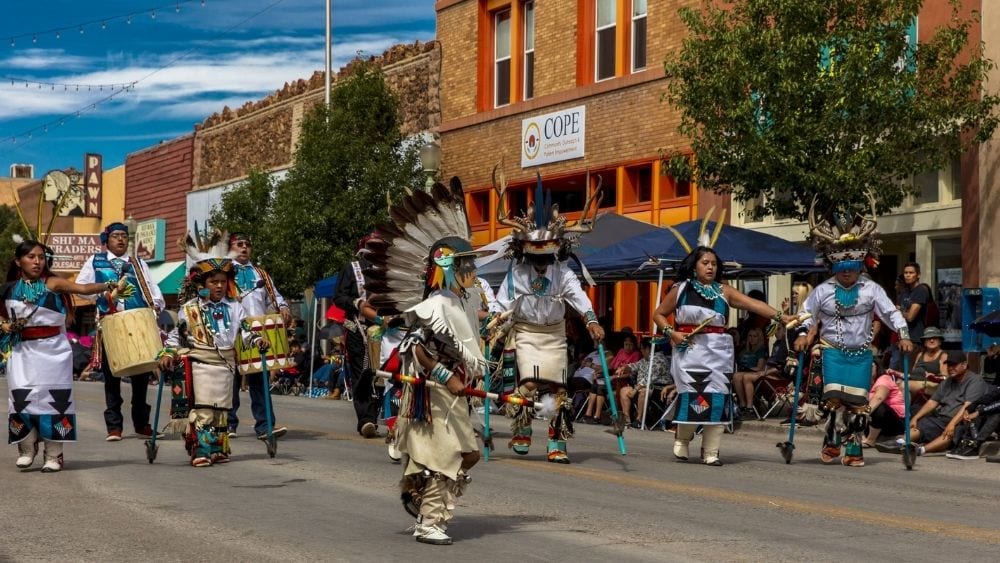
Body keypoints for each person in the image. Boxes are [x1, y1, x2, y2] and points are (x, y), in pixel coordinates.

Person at [358, 179, 490, 545]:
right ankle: (430, 521)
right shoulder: (435, 303)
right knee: (450, 456)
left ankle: (418, 496)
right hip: (433, 394)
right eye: (465, 265)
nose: (472, 271)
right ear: (447, 266)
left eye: (472, 264)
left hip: (453, 393)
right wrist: (446, 375)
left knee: (467, 455)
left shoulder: (462, 300)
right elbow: (416, 344)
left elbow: (466, 338)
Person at [653, 211, 794, 466]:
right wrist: (671, 333)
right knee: (692, 394)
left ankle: (711, 451)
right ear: (695, 266)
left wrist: (781, 317)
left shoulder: (723, 291)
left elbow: (753, 304)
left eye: (714, 264)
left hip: (717, 352)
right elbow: (659, 314)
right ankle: (682, 440)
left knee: (717, 395)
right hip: (689, 350)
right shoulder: (680, 289)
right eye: (705, 262)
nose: (710, 267)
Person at [493, 170, 605, 463]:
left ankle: (557, 442)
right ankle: (522, 425)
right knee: (529, 383)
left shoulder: (562, 272)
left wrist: (591, 319)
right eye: (535, 257)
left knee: (558, 388)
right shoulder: (516, 272)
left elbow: (578, 296)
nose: (541, 262)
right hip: (527, 333)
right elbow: (502, 303)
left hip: (555, 333)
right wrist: (493, 323)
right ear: (526, 253)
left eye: (545, 256)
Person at [795, 198, 913, 467]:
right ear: (834, 267)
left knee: (858, 404)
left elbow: (891, 313)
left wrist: (904, 334)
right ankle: (832, 443)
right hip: (832, 351)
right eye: (842, 270)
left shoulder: (871, 290)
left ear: (860, 267)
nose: (847, 275)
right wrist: (802, 334)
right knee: (835, 401)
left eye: (852, 270)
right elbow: (806, 313)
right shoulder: (823, 290)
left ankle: (853, 447)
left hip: (860, 354)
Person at [3, 240, 123, 472]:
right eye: (31, 257)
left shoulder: (53, 283)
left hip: (53, 351)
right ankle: (27, 449)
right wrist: (5, 326)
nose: (37, 262)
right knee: (21, 399)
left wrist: (109, 284)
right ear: (19, 261)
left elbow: (84, 289)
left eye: (41, 257)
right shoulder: (8, 289)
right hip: (22, 351)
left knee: (55, 401)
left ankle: (54, 455)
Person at [158, 230, 269, 467]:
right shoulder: (189, 309)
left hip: (227, 365)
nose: (219, 286)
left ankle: (218, 448)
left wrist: (258, 341)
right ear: (202, 284)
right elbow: (177, 337)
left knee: (222, 411)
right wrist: (167, 353)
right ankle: (201, 450)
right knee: (205, 411)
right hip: (201, 364)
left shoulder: (235, 307)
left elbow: (246, 331)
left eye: (222, 281)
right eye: (213, 281)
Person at [76, 222, 165, 441]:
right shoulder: (95, 261)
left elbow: (153, 291)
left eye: (124, 236)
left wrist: (154, 308)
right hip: (110, 324)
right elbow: (81, 287)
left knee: (141, 377)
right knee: (111, 376)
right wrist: (102, 297)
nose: (121, 240)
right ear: (107, 239)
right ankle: (114, 427)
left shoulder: (138, 263)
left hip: (136, 325)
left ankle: (142, 424)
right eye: (116, 236)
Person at [227, 233, 290, 440]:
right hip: (232, 331)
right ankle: (228, 424)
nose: (244, 248)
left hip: (257, 332)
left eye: (247, 245)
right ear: (230, 248)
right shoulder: (224, 271)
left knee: (259, 380)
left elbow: (274, 297)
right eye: (239, 244)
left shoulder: (261, 274)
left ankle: (265, 426)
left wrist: (282, 307)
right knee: (231, 381)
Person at [333, 233, 384, 438]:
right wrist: (357, 303)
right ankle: (366, 419)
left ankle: (379, 415)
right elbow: (339, 297)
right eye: (373, 246)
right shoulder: (352, 268)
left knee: (382, 375)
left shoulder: (388, 271)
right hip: (358, 328)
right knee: (361, 373)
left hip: (384, 330)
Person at [902, 350, 989, 456]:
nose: (950, 368)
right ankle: (901, 443)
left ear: (964, 365)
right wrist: (916, 418)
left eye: (954, 365)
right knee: (921, 424)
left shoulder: (976, 381)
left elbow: (967, 407)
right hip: (942, 419)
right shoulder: (947, 381)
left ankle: (921, 450)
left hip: (962, 422)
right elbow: (932, 402)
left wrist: (952, 424)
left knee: (953, 432)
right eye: (948, 365)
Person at [734, 325, 789, 419]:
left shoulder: (786, 345)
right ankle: (743, 406)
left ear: (786, 331)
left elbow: (782, 367)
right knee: (736, 376)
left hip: (778, 377)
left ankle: (750, 409)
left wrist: (764, 372)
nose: (775, 331)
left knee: (747, 377)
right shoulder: (777, 344)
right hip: (768, 373)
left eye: (779, 329)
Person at [617, 338, 673, 428]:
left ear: (647, 349)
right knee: (624, 390)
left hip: (658, 390)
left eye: (642, 349)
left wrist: (635, 390)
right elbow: (635, 366)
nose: (641, 352)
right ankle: (627, 420)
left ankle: (639, 419)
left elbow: (649, 378)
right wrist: (625, 367)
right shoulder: (645, 360)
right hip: (642, 387)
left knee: (643, 391)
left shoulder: (659, 359)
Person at [862, 368, 906, 447]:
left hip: (894, 423)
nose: (869, 368)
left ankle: (870, 440)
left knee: (878, 407)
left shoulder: (884, 378)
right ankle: (860, 437)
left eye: (872, 365)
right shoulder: (864, 382)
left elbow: (879, 398)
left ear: (878, 367)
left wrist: (862, 415)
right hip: (874, 422)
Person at [731, 326, 769, 416]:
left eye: (754, 336)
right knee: (736, 376)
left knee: (742, 375)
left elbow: (760, 367)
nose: (751, 338)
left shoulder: (761, 350)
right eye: (750, 336)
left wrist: (747, 370)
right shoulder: (745, 350)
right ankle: (742, 404)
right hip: (743, 372)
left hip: (757, 374)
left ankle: (749, 407)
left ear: (759, 338)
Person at [905, 327, 949, 399]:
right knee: (894, 385)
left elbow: (945, 377)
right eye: (928, 338)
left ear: (940, 342)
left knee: (904, 386)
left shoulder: (943, 356)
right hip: (914, 382)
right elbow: (913, 372)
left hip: (931, 385)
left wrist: (934, 377)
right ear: (925, 343)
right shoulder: (920, 355)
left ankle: (903, 410)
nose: (931, 340)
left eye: (934, 338)